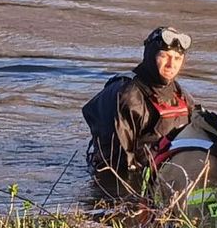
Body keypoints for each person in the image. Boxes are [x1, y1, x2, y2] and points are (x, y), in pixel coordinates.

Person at [82, 26, 195, 194]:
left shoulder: (182, 97)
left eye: (177, 58)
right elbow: (118, 164)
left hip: (166, 181)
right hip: (123, 184)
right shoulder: (127, 96)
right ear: (150, 55)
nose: (171, 64)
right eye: (164, 56)